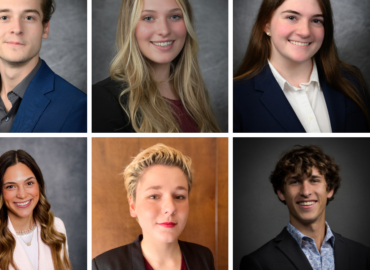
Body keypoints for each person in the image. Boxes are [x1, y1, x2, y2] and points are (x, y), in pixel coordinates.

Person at [233, 0, 370, 132]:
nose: (305, 32)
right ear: (266, 24)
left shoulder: (352, 79)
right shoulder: (237, 95)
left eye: (316, 20)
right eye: (292, 17)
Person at [0, 0, 87, 133]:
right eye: (4, 17)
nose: (17, 29)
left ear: (45, 28)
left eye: (28, 17)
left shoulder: (77, 105)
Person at [92, 0, 220, 133]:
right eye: (148, 18)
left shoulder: (196, 93)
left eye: (175, 16)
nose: (164, 30)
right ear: (130, 26)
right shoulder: (102, 99)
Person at [240, 145, 370, 269]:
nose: (306, 192)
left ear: (330, 189)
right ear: (281, 192)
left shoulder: (364, 256)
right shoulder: (259, 262)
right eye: (295, 181)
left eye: (314, 180)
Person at [92, 144, 215, 269]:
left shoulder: (204, 258)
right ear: (133, 206)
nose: (170, 208)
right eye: (154, 196)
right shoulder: (104, 266)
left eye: (179, 196)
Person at [0, 150, 72, 270]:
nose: (22, 194)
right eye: (11, 186)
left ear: (39, 185)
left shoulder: (56, 227)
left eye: (29, 183)